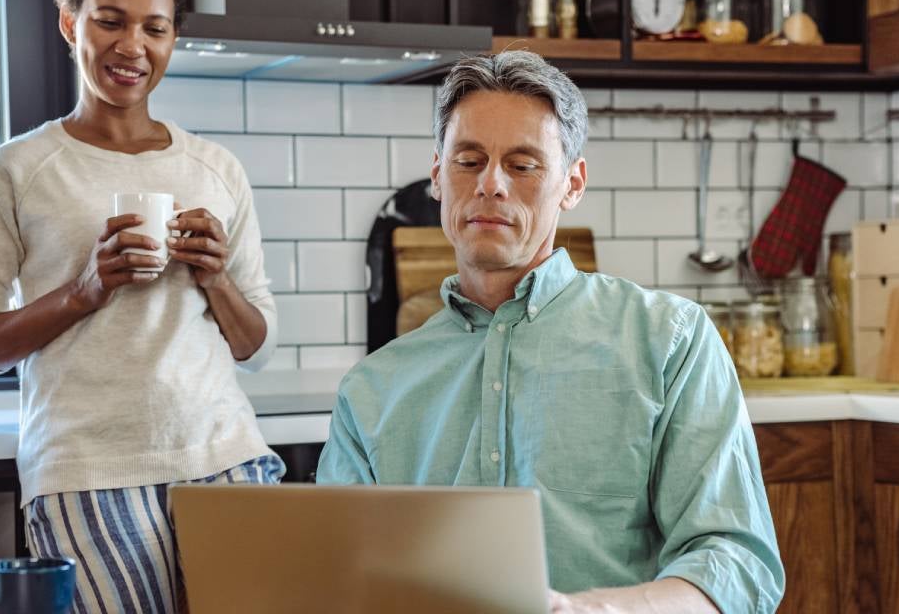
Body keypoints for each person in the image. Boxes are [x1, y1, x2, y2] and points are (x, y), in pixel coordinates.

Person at [316, 51, 784, 613]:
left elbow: (736, 562)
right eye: (469, 160)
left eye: (523, 164)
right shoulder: (371, 389)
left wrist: (590, 611)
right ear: (438, 175)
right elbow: (337, 578)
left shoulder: (669, 340)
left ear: (573, 183)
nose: (490, 184)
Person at [0, 0, 283, 612]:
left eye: (155, 28)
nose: (134, 46)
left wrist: (216, 278)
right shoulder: (19, 170)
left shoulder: (216, 169)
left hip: (226, 459)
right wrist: (81, 293)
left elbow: (258, 346)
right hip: (86, 474)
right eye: (110, 21)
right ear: (71, 22)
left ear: (173, 37)